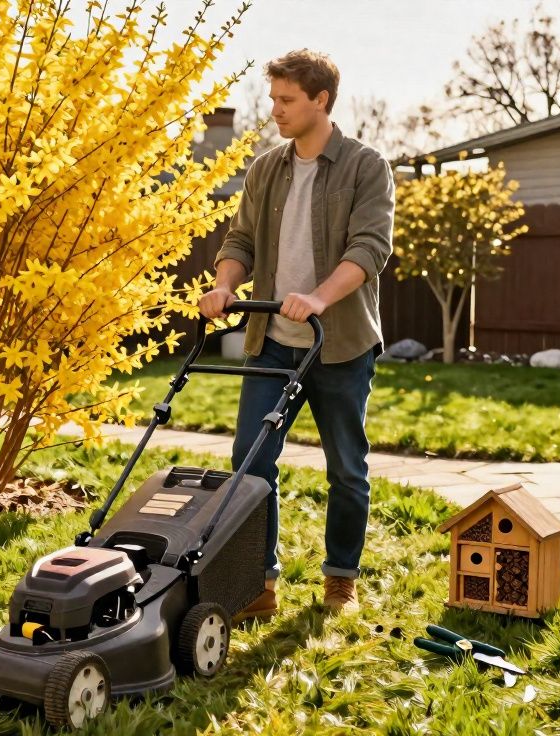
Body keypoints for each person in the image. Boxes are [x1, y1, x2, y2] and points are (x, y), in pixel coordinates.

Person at [198, 49, 395, 621]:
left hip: (339, 343)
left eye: (286, 100)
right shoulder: (266, 169)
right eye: (274, 98)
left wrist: (317, 298)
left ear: (320, 100)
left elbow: (369, 249)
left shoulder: (365, 166)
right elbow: (240, 243)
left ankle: (341, 579)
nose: (275, 110)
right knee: (250, 461)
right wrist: (224, 284)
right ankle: (260, 582)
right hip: (272, 341)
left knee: (346, 467)